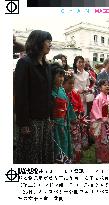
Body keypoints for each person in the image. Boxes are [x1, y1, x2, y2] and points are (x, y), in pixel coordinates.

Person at [15, 30, 54, 164]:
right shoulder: (24, 63)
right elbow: (21, 95)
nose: (50, 45)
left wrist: (50, 116)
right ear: (38, 43)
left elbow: (48, 93)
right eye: (48, 42)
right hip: (31, 120)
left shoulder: (47, 66)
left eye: (51, 42)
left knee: (44, 154)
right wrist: (23, 123)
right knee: (31, 156)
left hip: (45, 119)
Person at [51, 63, 76, 164]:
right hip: (54, 125)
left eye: (62, 76)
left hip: (64, 123)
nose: (61, 79)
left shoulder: (61, 90)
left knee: (65, 143)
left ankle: (65, 161)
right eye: (59, 76)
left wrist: (72, 118)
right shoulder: (49, 91)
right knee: (57, 145)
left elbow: (68, 106)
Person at [63, 72, 86, 163]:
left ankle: (76, 159)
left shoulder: (75, 93)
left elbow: (80, 105)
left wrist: (79, 113)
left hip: (75, 121)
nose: (72, 85)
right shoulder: (61, 94)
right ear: (63, 83)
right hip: (65, 122)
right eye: (69, 83)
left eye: (73, 83)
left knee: (76, 140)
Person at [90, 80, 109, 163]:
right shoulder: (98, 98)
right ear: (100, 87)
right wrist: (102, 118)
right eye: (104, 85)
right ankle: (100, 158)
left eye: (108, 85)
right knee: (101, 141)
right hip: (102, 122)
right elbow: (95, 110)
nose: (107, 86)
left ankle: (108, 158)